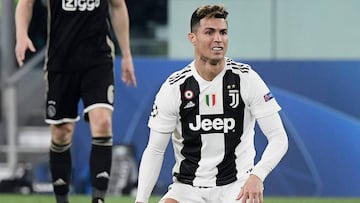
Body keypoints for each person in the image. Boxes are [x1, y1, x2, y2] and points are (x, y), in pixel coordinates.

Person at [135, 4, 288, 203]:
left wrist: (257, 175)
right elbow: (155, 149)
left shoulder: (246, 78)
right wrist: (140, 200)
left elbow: (278, 138)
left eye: (223, 32)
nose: (218, 39)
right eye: (209, 32)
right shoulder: (175, 87)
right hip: (187, 189)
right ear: (193, 38)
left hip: (236, 187)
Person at [15, 0, 137, 203]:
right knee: (62, 132)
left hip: (98, 60)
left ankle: (98, 199)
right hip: (60, 62)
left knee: (103, 122)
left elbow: (118, 6)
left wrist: (126, 55)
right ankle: (61, 199)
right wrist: (21, 34)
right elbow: (25, 3)